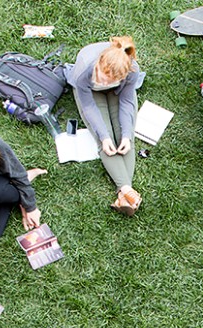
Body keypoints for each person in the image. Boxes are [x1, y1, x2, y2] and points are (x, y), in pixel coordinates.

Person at [67, 36, 144, 216]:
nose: (104, 84)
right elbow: (88, 106)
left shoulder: (131, 70)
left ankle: (123, 195)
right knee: (105, 141)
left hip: (119, 94)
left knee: (125, 137)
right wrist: (104, 136)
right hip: (90, 95)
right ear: (99, 65)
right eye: (102, 79)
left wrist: (126, 135)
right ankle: (126, 190)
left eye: (109, 81)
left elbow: (126, 102)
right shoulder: (84, 71)